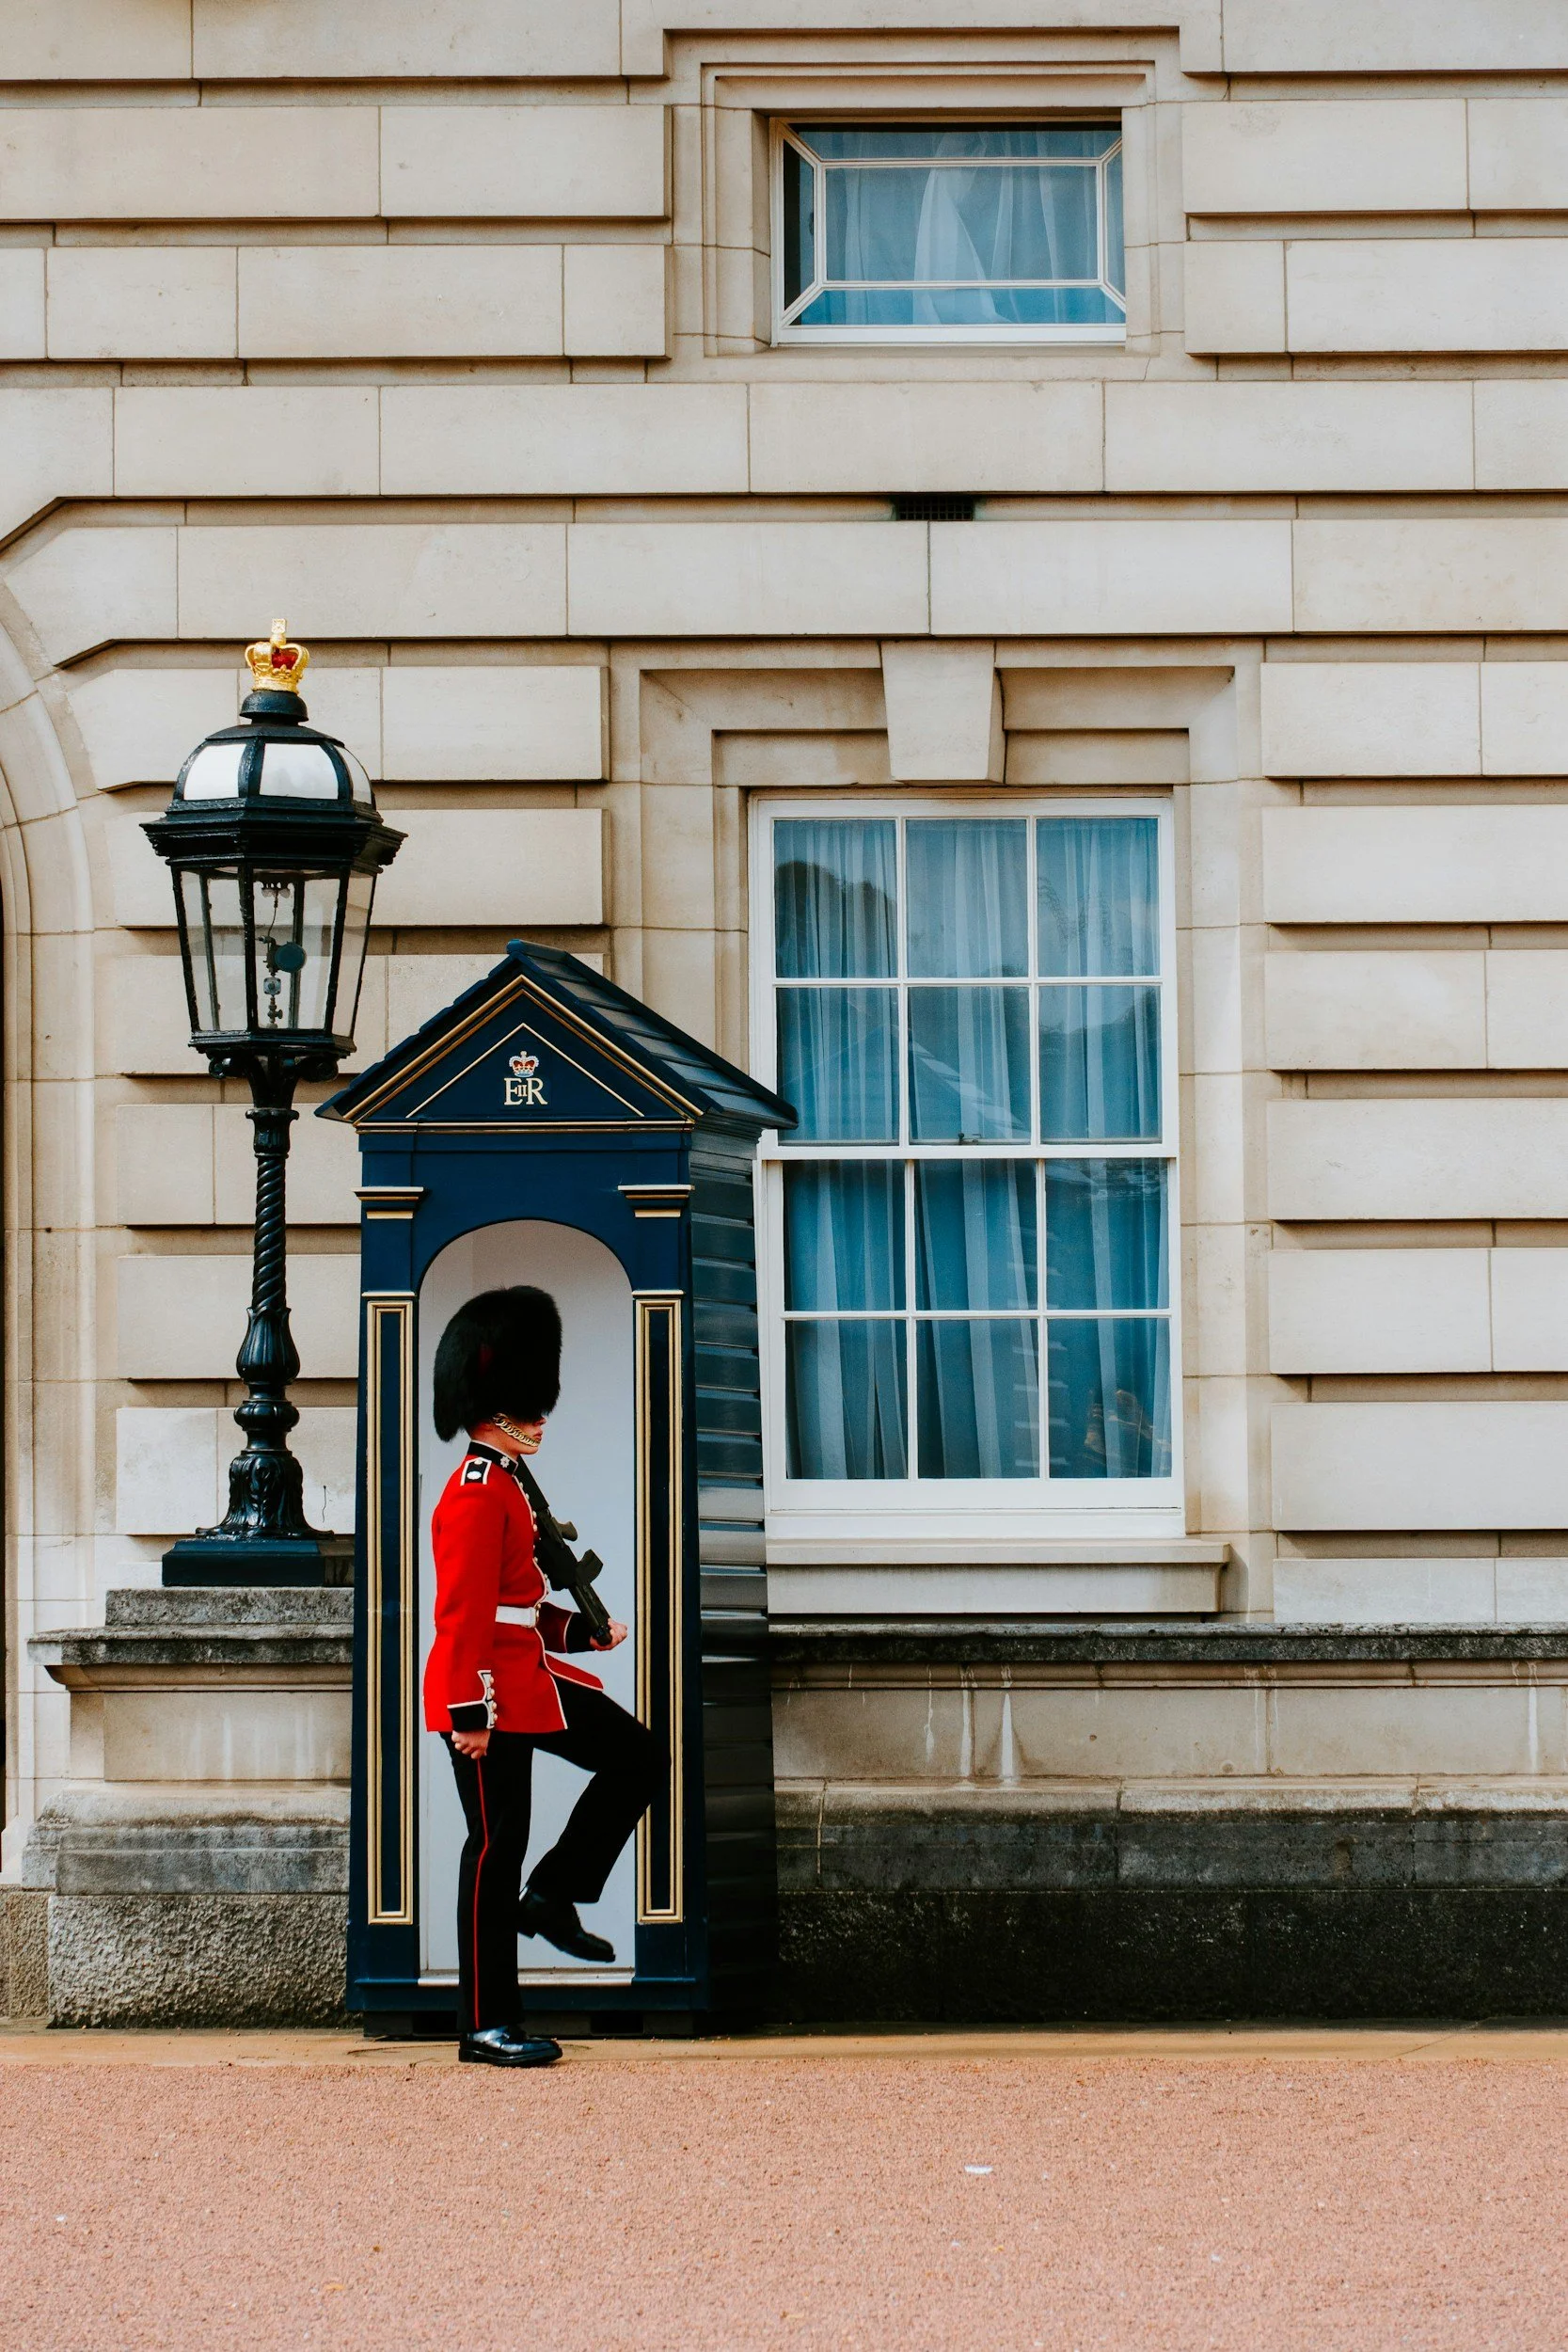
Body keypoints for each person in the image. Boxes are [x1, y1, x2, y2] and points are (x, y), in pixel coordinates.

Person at [423, 1284, 665, 2069]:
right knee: (494, 1850)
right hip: (486, 1694)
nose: (540, 1419)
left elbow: (516, 1606)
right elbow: (461, 1618)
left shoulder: (511, 1487)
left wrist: (583, 1633)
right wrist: (468, 1713)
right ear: (493, 1408)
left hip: (525, 1676)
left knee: (636, 1756)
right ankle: (486, 2023)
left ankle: (555, 1895)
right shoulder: (473, 1494)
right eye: (527, 1408)